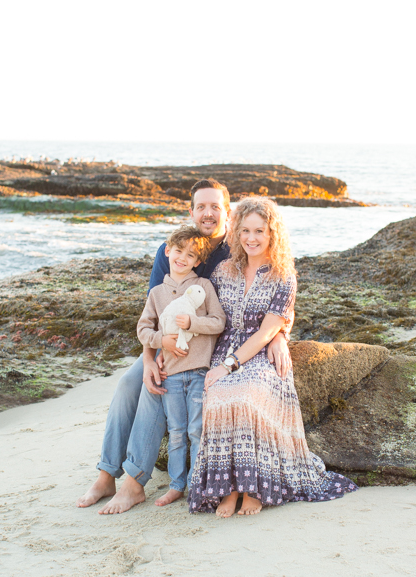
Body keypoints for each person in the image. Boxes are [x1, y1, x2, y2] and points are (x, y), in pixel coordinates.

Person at [76, 179, 294, 510]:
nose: (208, 214)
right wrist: (149, 358)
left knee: (157, 389)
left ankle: (134, 482)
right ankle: (107, 476)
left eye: (215, 207)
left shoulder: (235, 248)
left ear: (228, 211)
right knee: (128, 384)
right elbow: (155, 310)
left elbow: (263, 296)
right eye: (201, 207)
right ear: (190, 211)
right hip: (167, 342)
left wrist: (278, 334)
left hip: (208, 347)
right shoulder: (174, 249)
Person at [188, 197, 358, 517]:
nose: (252, 238)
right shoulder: (224, 272)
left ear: (272, 234)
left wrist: (273, 338)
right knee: (218, 396)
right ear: (237, 232)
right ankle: (231, 489)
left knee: (247, 395)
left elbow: (266, 331)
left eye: (260, 231)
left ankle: (254, 488)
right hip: (224, 349)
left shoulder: (283, 276)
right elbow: (206, 312)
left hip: (260, 355)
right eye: (246, 231)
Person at [126, 225, 225, 508]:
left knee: (196, 430)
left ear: (198, 262)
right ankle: (176, 485)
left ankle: (196, 484)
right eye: (178, 251)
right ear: (167, 251)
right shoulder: (157, 293)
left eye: (191, 255)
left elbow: (218, 322)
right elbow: (143, 329)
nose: (183, 257)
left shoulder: (203, 288)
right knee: (177, 432)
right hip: (170, 375)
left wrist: (193, 323)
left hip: (197, 372)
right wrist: (162, 341)